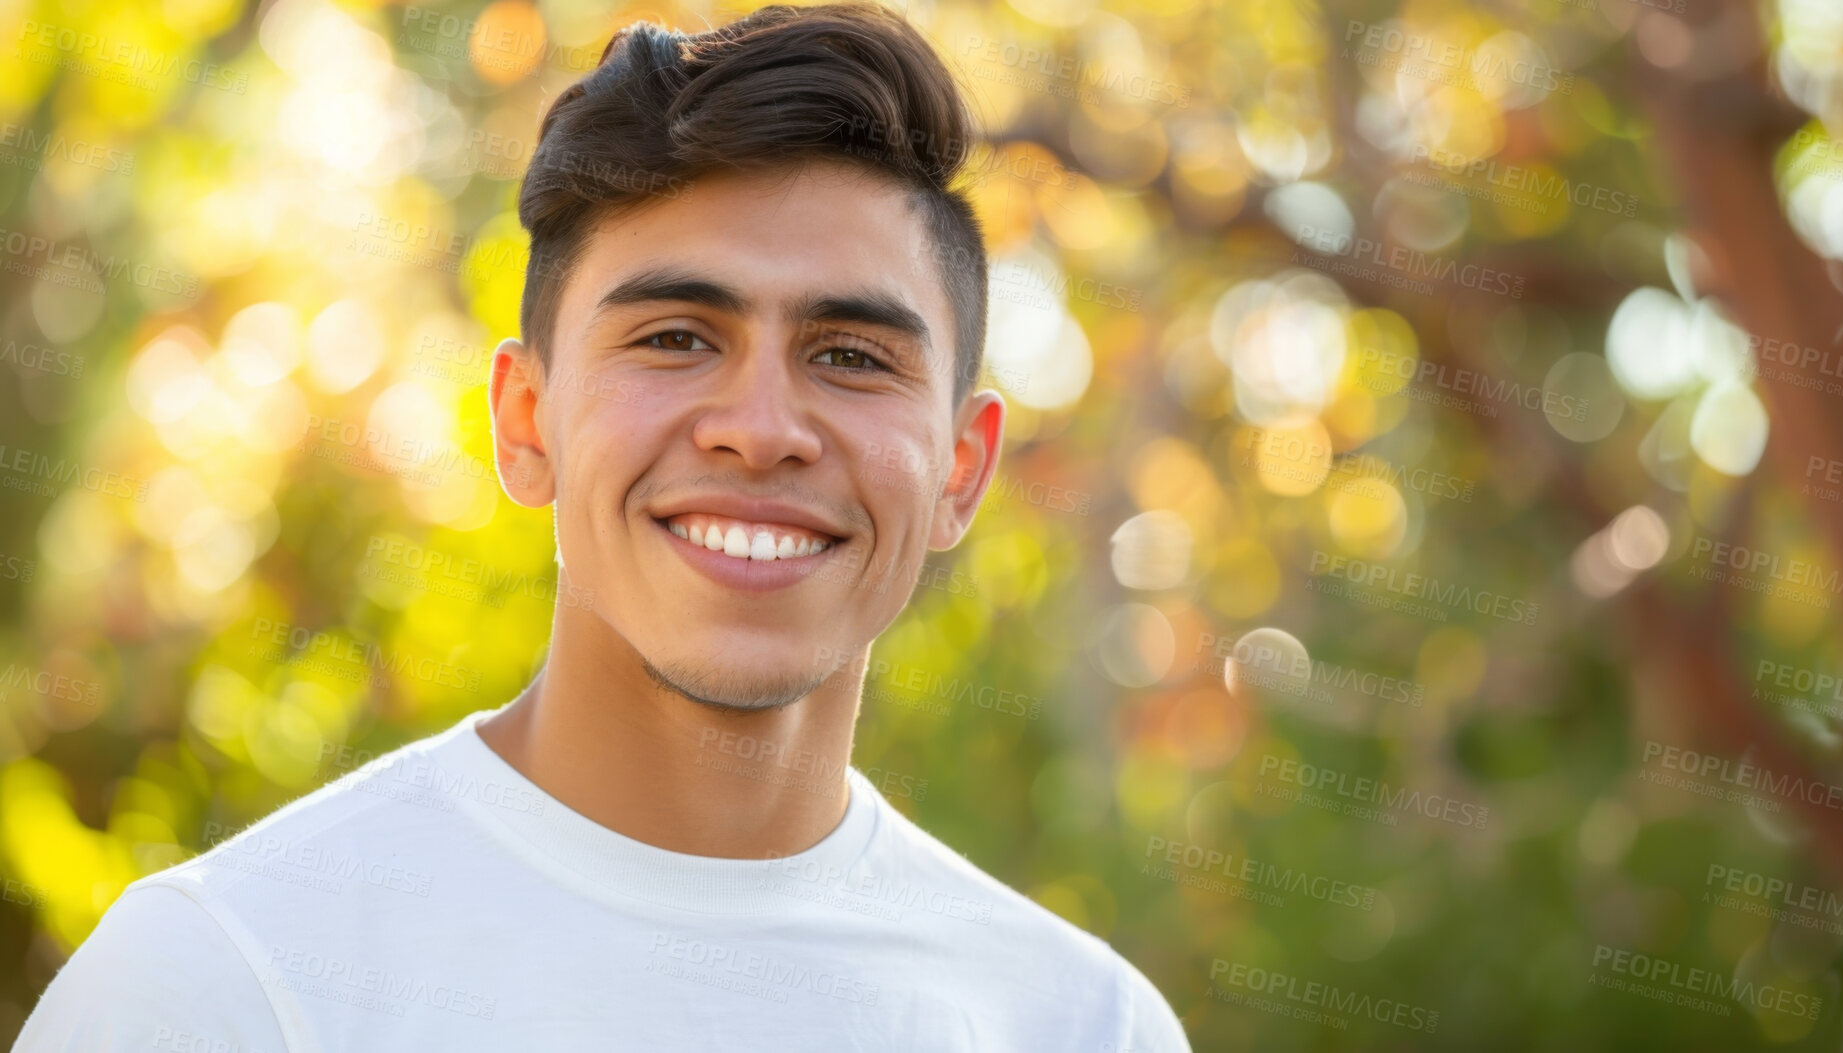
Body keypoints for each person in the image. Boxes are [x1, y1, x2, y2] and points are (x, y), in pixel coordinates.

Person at [12, 3, 1191, 1050]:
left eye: (850, 356)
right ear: (527, 421)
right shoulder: (224, 985)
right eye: (677, 337)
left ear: (961, 471)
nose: (762, 429)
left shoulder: (1083, 1024)